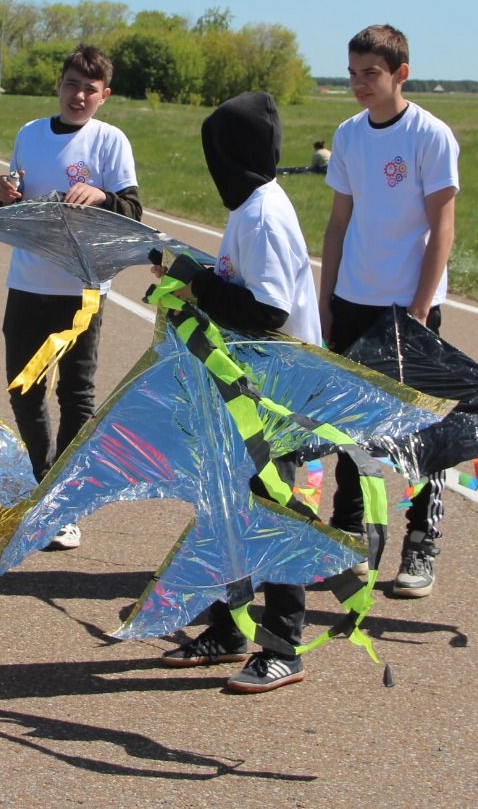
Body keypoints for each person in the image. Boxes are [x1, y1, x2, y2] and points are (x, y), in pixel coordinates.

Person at [156, 90, 320, 693]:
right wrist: (187, 273)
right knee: (232, 510)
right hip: (246, 391)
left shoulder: (263, 214)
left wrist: (197, 285)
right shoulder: (251, 205)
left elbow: (270, 309)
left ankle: (283, 645)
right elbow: (239, 284)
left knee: (275, 514)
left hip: (277, 396)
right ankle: (230, 629)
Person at [319, 24, 460, 599]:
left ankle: (420, 543)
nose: (359, 84)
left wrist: (422, 308)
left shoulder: (431, 135)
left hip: (410, 307)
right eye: (352, 73)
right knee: (351, 428)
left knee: (418, 432)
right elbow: (337, 223)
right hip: (354, 298)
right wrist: (326, 300)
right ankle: (349, 536)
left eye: (370, 74)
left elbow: (442, 226)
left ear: (400, 74)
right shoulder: (349, 136)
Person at [0, 45, 139, 552]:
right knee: (23, 389)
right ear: (60, 84)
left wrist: (102, 197)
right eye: (72, 84)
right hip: (28, 281)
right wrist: (3, 191)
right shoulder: (30, 134)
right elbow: (13, 192)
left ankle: (65, 501)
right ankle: (42, 480)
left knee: (75, 395)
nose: (80, 96)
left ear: (104, 95)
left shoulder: (109, 140)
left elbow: (133, 209)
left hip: (83, 290)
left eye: (90, 89)